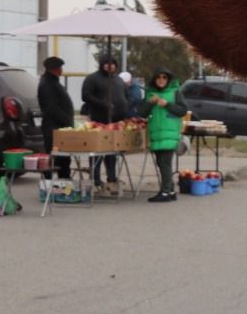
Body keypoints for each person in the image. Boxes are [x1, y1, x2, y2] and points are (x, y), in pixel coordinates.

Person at [80, 53, 130, 194]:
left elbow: (126, 96)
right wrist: (103, 104)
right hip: (99, 121)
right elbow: (85, 96)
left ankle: (112, 179)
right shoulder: (92, 79)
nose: (110, 66)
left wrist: (125, 110)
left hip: (116, 123)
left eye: (113, 63)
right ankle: (95, 180)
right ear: (102, 64)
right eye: (107, 63)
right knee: (97, 152)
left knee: (112, 153)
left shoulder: (118, 79)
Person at [139, 69, 188, 203]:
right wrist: (150, 103)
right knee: (161, 163)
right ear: (154, 80)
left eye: (164, 78)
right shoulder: (150, 93)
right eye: (158, 78)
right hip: (156, 133)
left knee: (165, 163)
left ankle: (166, 192)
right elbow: (141, 112)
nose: (161, 80)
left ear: (168, 79)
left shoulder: (175, 92)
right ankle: (170, 190)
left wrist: (167, 104)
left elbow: (182, 110)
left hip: (170, 133)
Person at [37, 56, 75, 180]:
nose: (61, 70)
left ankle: (64, 181)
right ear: (52, 69)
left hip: (60, 127)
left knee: (63, 157)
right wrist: (66, 120)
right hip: (53, 127)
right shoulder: (47, 84)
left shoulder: (54, 81)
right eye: (59, 68)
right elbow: (51, 108)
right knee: (54, 157)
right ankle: (48, 183)